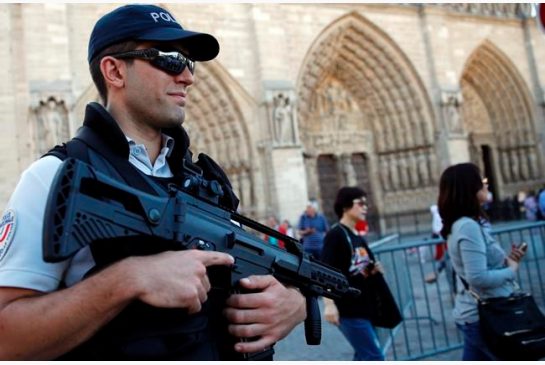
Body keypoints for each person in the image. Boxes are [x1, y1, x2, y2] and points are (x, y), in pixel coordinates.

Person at [0, 4, 306, 360]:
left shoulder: (208, 181)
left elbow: (244, 271)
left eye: (188, 62)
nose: (188, 77)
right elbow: (7, 338)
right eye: (169, 58)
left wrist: (293, 303)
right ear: (114, 71)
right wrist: (128, 279)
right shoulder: (55, 177)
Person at [438, 163, 526, 361]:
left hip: (476, 313)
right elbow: (477, 277)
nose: (487, 185)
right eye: (482, 182)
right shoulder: (467, 226)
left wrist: (506, 260)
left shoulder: (464, 223)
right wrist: (511, 270)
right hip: (485, 315)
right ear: (469, 188)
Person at [321, 187, 385, 361]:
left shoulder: (356, 235)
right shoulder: (335, 235)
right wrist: (329, 304)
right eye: (360, 203)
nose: (365, 207)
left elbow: (353, 269)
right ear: (345, 207)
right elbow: (325, 270)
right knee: (374, 357)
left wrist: (372, 269)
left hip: (365, 306)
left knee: (364, 355)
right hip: (349, 309)